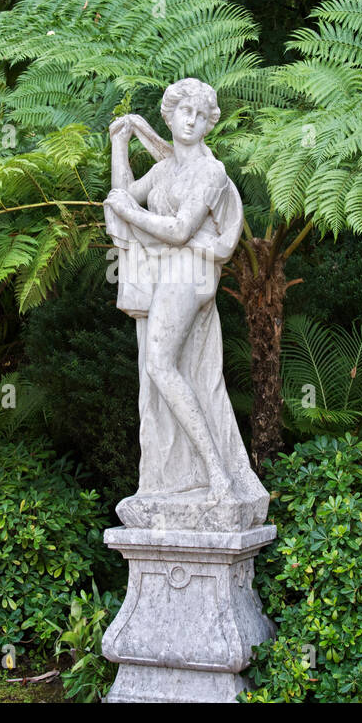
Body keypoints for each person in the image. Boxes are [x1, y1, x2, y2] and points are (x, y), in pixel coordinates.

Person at [103, 79, 261, 516]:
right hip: (165, 271)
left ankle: (219, 476)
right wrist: (121, 144)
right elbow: (121, 199)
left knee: (159, 363)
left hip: (191, 270)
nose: (190, 120)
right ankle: (183, 477)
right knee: (163, 370)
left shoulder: (209, 172)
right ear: (168, 117)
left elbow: (178, 230)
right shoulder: (164, 170)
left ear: (210, 122)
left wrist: (133, 212)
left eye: (199, 113)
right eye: (182, 111)